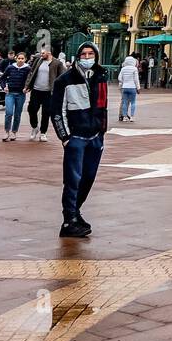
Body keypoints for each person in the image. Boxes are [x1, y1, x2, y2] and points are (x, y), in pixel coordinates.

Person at [50, 41, 108, 238]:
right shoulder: (64, 80)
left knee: (88, 178)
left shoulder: (101, 76)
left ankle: (75, 213)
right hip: (76, 137)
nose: (87, 57)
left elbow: (103, 105)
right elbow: (57, 111)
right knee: (73, 179)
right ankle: (69, 220)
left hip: (95, 136)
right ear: (77, 56)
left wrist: (102, 131)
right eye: (83, 54)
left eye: (90, 54)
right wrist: (65, 137)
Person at [26, 47, 63, 141]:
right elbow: (32, 73)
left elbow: (61, 77)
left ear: (49, 52)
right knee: (31, 109)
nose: (41, 54)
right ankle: (35, 127)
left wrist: (58, 91)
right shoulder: (38, 60)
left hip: (48, 92)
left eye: (43, 53)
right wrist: (27, 86)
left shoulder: (57, 63)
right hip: (36, 90)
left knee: (46, 113)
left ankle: (43, 132)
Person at [1, 51, 30, 141]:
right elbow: (3, 78)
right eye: (19, 58)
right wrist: (4, 87)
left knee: (17, 114)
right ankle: (6, 131)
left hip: (21, 94)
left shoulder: (28, 68)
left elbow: (31, 80)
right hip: (10, 93)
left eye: (22, 58)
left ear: (25, 59)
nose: (20, 60)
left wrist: (28, 88)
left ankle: (14, 132)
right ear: (16, 58)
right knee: (9, 112)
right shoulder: (10, 67)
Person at [117, 54, 139, 122]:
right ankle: (132, 117)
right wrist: (138, 88)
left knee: (124, 102)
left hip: (124, 87)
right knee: (133, 102)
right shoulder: (134, 69)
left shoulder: (123, 69)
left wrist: (124, 82)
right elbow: (136, 79)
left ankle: (124, 117)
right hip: (132, 87)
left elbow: (119, 78)